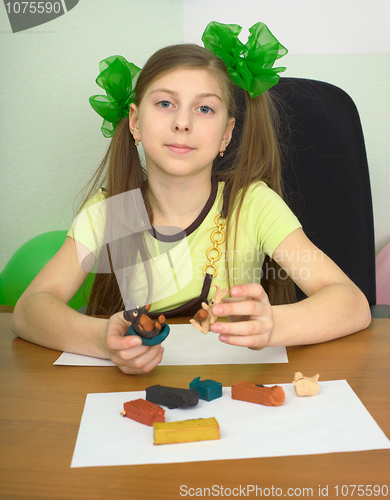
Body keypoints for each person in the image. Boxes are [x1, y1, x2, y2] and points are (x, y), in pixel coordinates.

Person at [11, 21, 371, 374]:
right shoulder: (111, 212)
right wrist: (103, 339)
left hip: (235, 392)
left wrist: (274, 325)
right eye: (166, 103)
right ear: (135, 122)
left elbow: (352, 304)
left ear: (227, 134)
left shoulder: (253, 205)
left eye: (204, 109)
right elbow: (29, 309)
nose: (183, 122)